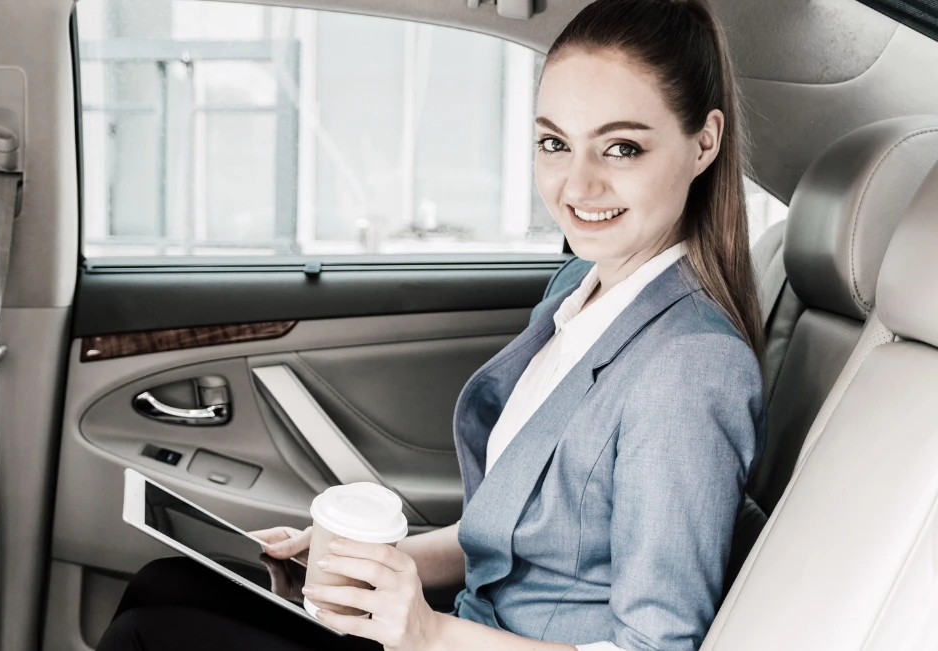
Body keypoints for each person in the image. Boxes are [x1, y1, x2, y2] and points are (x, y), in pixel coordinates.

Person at [97, 0, 765, 648]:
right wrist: (365, 570)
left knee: (148, 633)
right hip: (462, 629)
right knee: (166, 583)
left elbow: (657, 647)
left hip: (465, 640)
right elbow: (504, 536)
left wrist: (429, 633)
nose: (577, 185)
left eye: (621, 148)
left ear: (702, 143)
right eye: (554, 143)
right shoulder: (580, 289)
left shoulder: (691, 366)